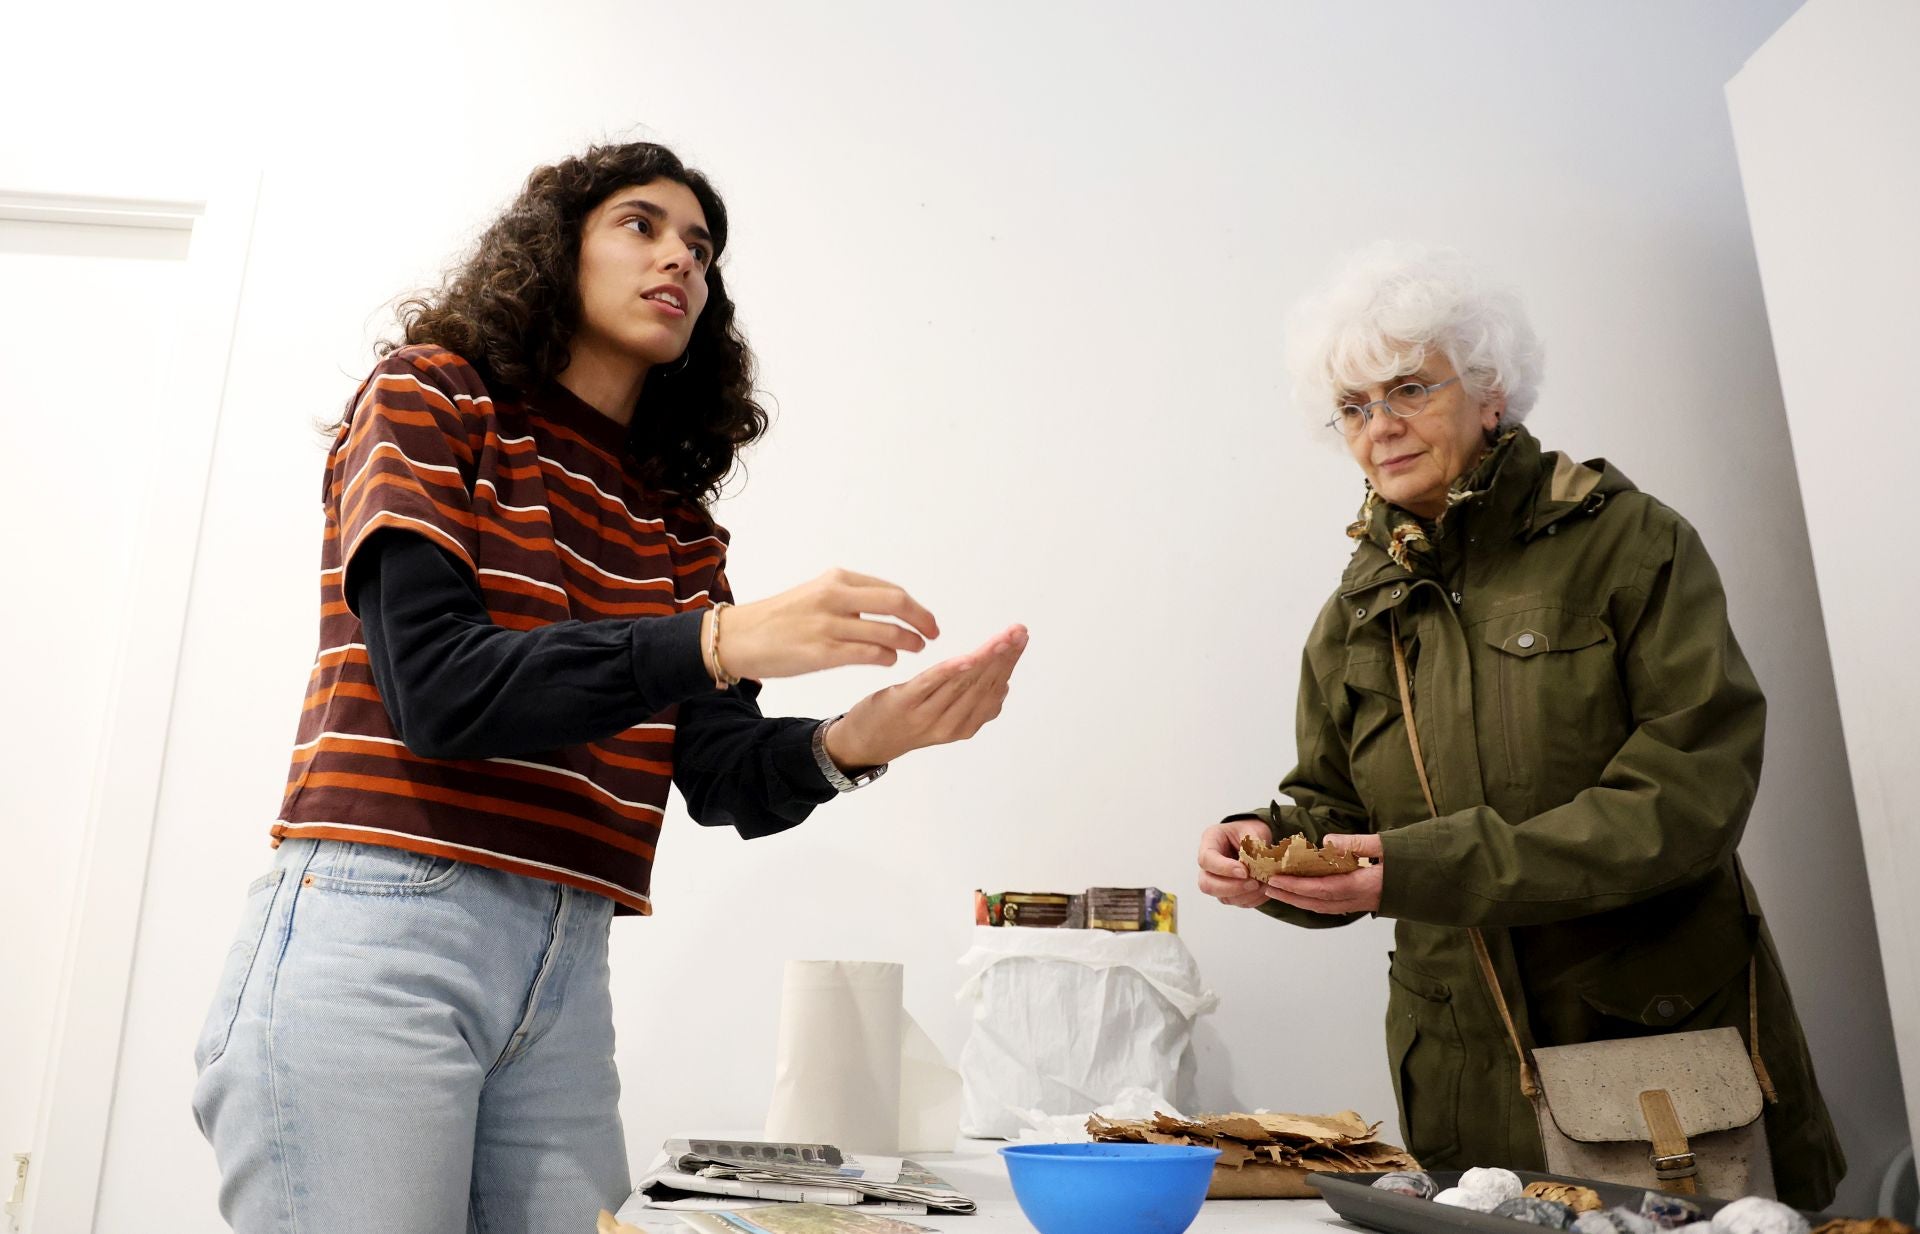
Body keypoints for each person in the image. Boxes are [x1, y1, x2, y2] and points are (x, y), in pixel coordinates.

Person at [192, 141, 1028, 1232]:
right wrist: (717, 641)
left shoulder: (675, 529)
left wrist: (858, 740)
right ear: (555, 252)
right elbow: (441, 693)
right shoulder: (433, 397)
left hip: (565, 967)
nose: (680, 258)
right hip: (379, 932)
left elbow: (722, 774)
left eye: (702, 248)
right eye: (642, 225)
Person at [1194, 243, 1842, 1208]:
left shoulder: (1631, 542)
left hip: (1645, 1063)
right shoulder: (1355, 613)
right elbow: (1333, 806)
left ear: (1490, 389)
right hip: (1464, 1084)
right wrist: (1270, 852)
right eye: (1354, 407)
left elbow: (1689, 798)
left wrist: (1426, 867)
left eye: (1408, 388)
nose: (1380, 426)